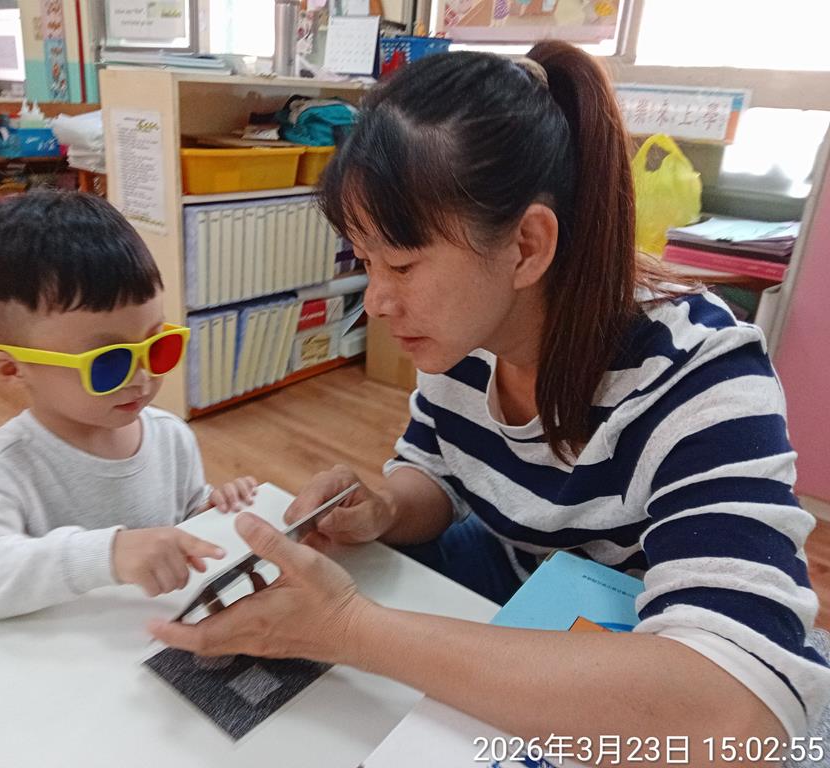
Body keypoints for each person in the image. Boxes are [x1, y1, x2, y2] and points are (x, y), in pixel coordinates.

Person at [149, 42, 830, 749]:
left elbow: (737, 711)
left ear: (527, 246)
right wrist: (385, 507)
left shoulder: (701, 376)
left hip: (625, 653)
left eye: (402, 264)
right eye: (367, 262)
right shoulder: (462, 338)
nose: (376, 300)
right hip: (513, 588)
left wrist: (349, 629)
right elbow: (438, 474)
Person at [0, 192, 256, 623]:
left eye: (157, 345)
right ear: (13, 369)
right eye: (109, 363)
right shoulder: (8, 466)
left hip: (156, 632)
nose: (142, 377)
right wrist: (106, 554)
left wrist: (209, 511)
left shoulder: (171, 435)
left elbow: (184, 515)